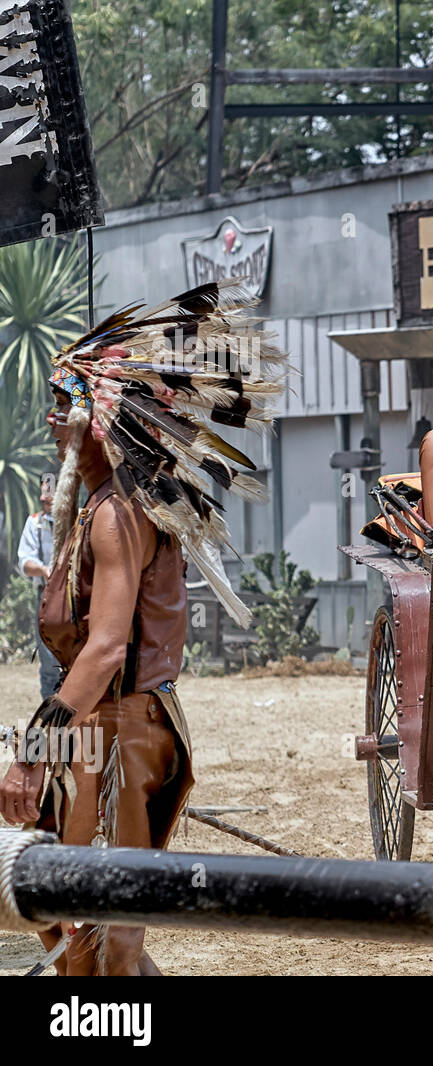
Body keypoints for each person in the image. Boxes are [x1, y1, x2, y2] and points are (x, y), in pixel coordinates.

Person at [0, 280, 283, 975]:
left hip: (124, 730)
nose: (48, 418)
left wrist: (33, 751)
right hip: (97, 729)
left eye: (64, 401)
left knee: (107, 934)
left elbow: (105, 650)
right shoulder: (97, 505)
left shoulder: (117, 514)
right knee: (79, 930)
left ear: (100, 416)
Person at [16, 474, 59, 699]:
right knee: (49, 664)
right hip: (46, 598)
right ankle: (51, 720)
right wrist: (44, 570)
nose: (44, 497)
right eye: (43, 494)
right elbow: (25, 561)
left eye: (50, 494)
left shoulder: (80, 520)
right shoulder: (35, 522)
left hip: (76, 600)